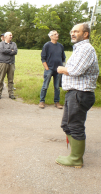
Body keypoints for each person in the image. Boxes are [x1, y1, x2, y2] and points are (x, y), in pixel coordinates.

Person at [56, 23, 99, 168]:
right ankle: (74, 154)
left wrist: (62, 69)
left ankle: (76, 158)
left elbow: (75, 70)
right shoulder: (80, 48)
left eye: (76, 31)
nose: (72, 33)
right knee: (67, 125)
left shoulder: (86, 48)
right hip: (74, 93)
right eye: (71, 31)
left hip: (80, 93)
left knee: (75, 126)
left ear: (85, 34)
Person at [39, 30, 66, 109]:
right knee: (45, 86)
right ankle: (42, 101)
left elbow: (63, 58)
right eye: (55, 34)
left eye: (57, 33)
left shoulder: (60, 46)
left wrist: (63, 67)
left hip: (59, 70)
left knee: (57, 87)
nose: (57, 35)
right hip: (49, 69)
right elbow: (43, 58)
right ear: (51, 36)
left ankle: (57, 102)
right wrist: (47, 68)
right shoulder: (46, 45)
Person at [0, 32, 17, 99]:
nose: (11, 36)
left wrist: (8, 51)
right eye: (10, 35)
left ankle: (11, 93)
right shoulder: (1, 44)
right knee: (1, 79)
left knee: (10, 80)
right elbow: (2, 50)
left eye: (11, 35)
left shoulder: (14, 44)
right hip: (3, 63)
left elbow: (15, 51)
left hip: (11, 64)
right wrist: (11, 50)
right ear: (5, 36)